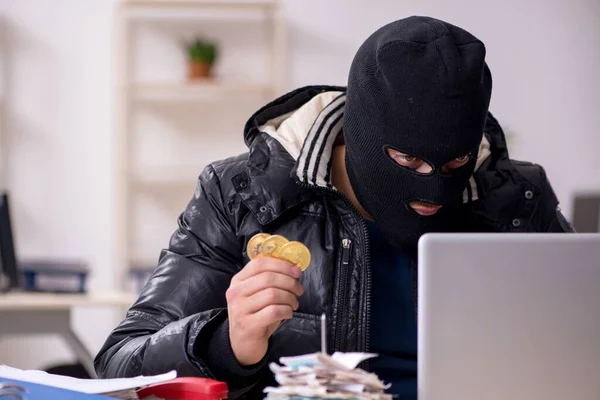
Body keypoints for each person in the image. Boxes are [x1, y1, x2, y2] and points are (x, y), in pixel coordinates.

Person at [94, 16, 573, 399]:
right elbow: (119, 362)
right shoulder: (244, 194)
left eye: (454, 162)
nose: (431, 188)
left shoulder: (515, 199)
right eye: (407, 160)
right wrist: (229, 341)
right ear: (358, 134)